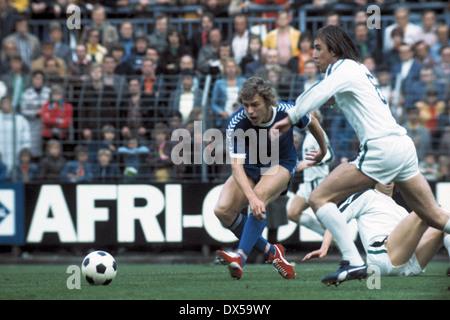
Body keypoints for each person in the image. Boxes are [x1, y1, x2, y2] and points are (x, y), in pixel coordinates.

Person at [271, 25, 450, 286]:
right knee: (434, 215)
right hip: (402, 146)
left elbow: (320, 92)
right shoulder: (358, 69)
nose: (314, 55)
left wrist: (292, 116)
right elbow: (338, 96)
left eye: (318, 48)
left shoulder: (341, 68)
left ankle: (352, 260)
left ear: (333, 49)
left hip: (380, 149)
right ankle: (354, 261)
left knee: (319, 197)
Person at [214, 76, 329, 280]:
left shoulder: (287, 111)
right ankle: (272, 252)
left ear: (268, 101)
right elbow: (236, 167)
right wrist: (250, 198)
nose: (250, 111)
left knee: (259, 196)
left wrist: (322, 150)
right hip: (251, 166)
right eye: (246, 105)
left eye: (255, 105)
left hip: (281, 164)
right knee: (222, 211)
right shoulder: (237, 122)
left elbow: (313, 123)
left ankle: (240, 257)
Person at [303, 182, 450, 279]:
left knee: (440, 221)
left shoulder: (401, 210)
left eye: (391, 175)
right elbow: (336, 219)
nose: (388, 179)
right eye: (383, 175)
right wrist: (325, 246)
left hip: (409, 265)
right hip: (382, 257)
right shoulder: (367, 195)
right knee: (426, 211)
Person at [287, 110, 333, 237]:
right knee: (293, 213)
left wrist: (307, 164)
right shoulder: (309, 134)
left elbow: (329, 155)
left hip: (318, 182)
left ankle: (337, 242)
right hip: (308, 182)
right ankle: (326, 236)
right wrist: (304, 162)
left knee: (325, 220)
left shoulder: (319, 133)